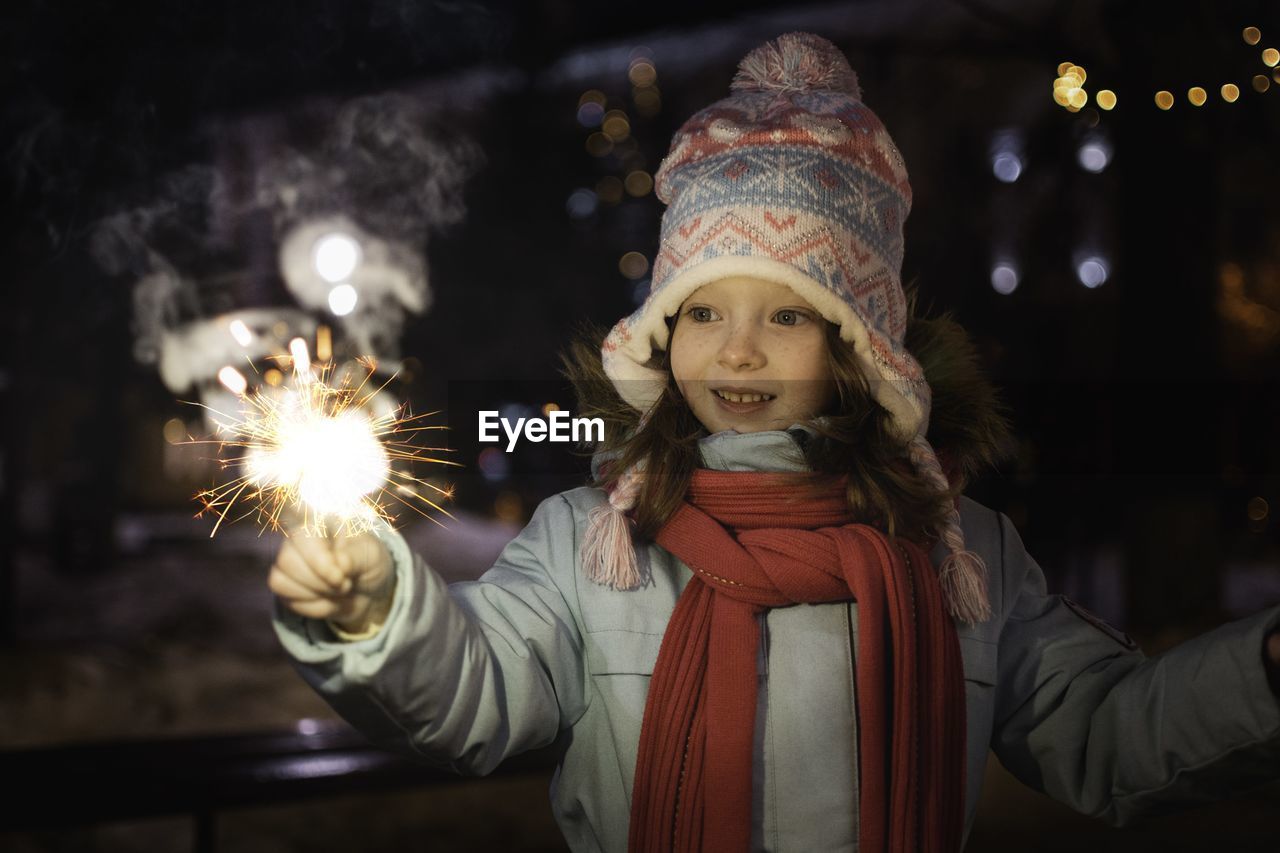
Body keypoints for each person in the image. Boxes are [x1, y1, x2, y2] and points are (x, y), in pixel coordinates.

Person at [269, 32, 1280, 852]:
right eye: (701, 314)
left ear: (859, 348)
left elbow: (1110, 735)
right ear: (662, 336)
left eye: (787, 316)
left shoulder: (959, 553)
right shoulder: (591, 543)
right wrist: (373, 615)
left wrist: (1264, 669)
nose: (735, 350)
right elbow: (472, 699)